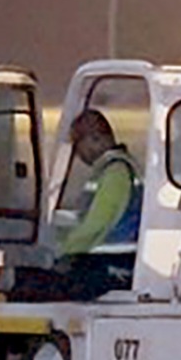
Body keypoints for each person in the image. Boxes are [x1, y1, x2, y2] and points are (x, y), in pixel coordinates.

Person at [49, 110, 139, 301]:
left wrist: (65, 253)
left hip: (110, 264)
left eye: (78, 145)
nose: (79, 154)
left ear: (95, 139)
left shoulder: (115, 172)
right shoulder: (114, 170)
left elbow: (98, 223)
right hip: (113, 262)